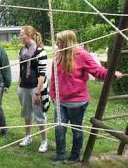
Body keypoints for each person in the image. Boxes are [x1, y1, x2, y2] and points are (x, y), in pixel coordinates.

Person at [50, 30, 123, 165]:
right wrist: (53, 94)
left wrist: (112, 73)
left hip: (77, 102)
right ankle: (60, 155)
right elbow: (54, 77)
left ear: (67, 42)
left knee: (76, 129)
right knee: (59, 128)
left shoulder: (82, 55)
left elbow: (97, 71)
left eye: (59, 41)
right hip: (60, 101)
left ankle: (74, 156)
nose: (57, 43)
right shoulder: (58, 56)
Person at [17, 26, 50, 153]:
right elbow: (21, 69)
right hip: (23, 87)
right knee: (26, 113)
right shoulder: (22, 50)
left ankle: (44, 141)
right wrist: (19, 86)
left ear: (29, 35)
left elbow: (42, 74)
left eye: (22, 35)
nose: (20, 37)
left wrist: (38, 92)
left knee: (39, 115)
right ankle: (28, 136)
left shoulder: (40, 51)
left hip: (36, 88)